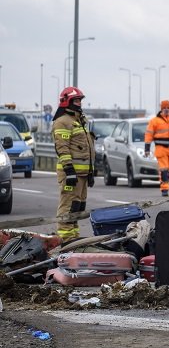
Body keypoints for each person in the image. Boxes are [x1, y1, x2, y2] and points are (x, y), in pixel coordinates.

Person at [52, 86, 95, 242]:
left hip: (82, 174)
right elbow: (62, 147)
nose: (79, 103)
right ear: (66, 101)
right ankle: (65, 240)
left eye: (80, 100)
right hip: (71, 173)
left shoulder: (80, 121)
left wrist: (91, 172)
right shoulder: (62, 122)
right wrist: (69, 170)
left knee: (77, 207)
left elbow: (88, 149)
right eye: (75, 100)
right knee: (68, 206)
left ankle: (73, 238)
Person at [144, 100, 169, 197]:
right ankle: (164, 189)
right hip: (161, 148)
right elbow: (148, 135)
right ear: (161, 109)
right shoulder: (154, 121)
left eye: (168, 108)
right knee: (164, 168)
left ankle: (167, 178)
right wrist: (147, 148)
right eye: (164, 108)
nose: (166, 109)